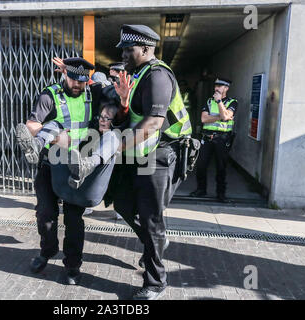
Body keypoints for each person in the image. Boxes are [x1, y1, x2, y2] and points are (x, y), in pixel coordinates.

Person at [15, 57, 119, 285]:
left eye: (82, 81)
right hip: (51, 159)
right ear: (64, 75)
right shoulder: (49, 94)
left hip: (77, 164)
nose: (76, 85)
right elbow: (32, 124)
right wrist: (52, 136)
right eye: (72, 79)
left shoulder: (95, 92)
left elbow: (116, 98)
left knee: (74, 219)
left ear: (87, 80)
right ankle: (48, 250)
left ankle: (72, 265)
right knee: (45, 214)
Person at [111, 24, 192, 300]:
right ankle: (157, 242)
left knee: (151, 217)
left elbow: (154, 122)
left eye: (128, 49)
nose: (123, 53)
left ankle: (155, 282)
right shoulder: (137, 74)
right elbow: (132, 116)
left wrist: (116, 146)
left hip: (163, 153)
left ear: (145, 49)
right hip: (141, 153)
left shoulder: (158, 75)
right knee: (122, 202)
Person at [190, 78, 238, 203]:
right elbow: (204, 119)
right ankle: (201, 189)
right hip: (207, 138)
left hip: (222, 139)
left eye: (220, 86)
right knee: (201, 165)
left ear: (226, 88)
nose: (216, 88)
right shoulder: (209, 101)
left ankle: (220, 194)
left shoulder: (232, 102)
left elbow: (227, 117)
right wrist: (220, 117)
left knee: (221, 167)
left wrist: (219, 102)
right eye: (216, 85)